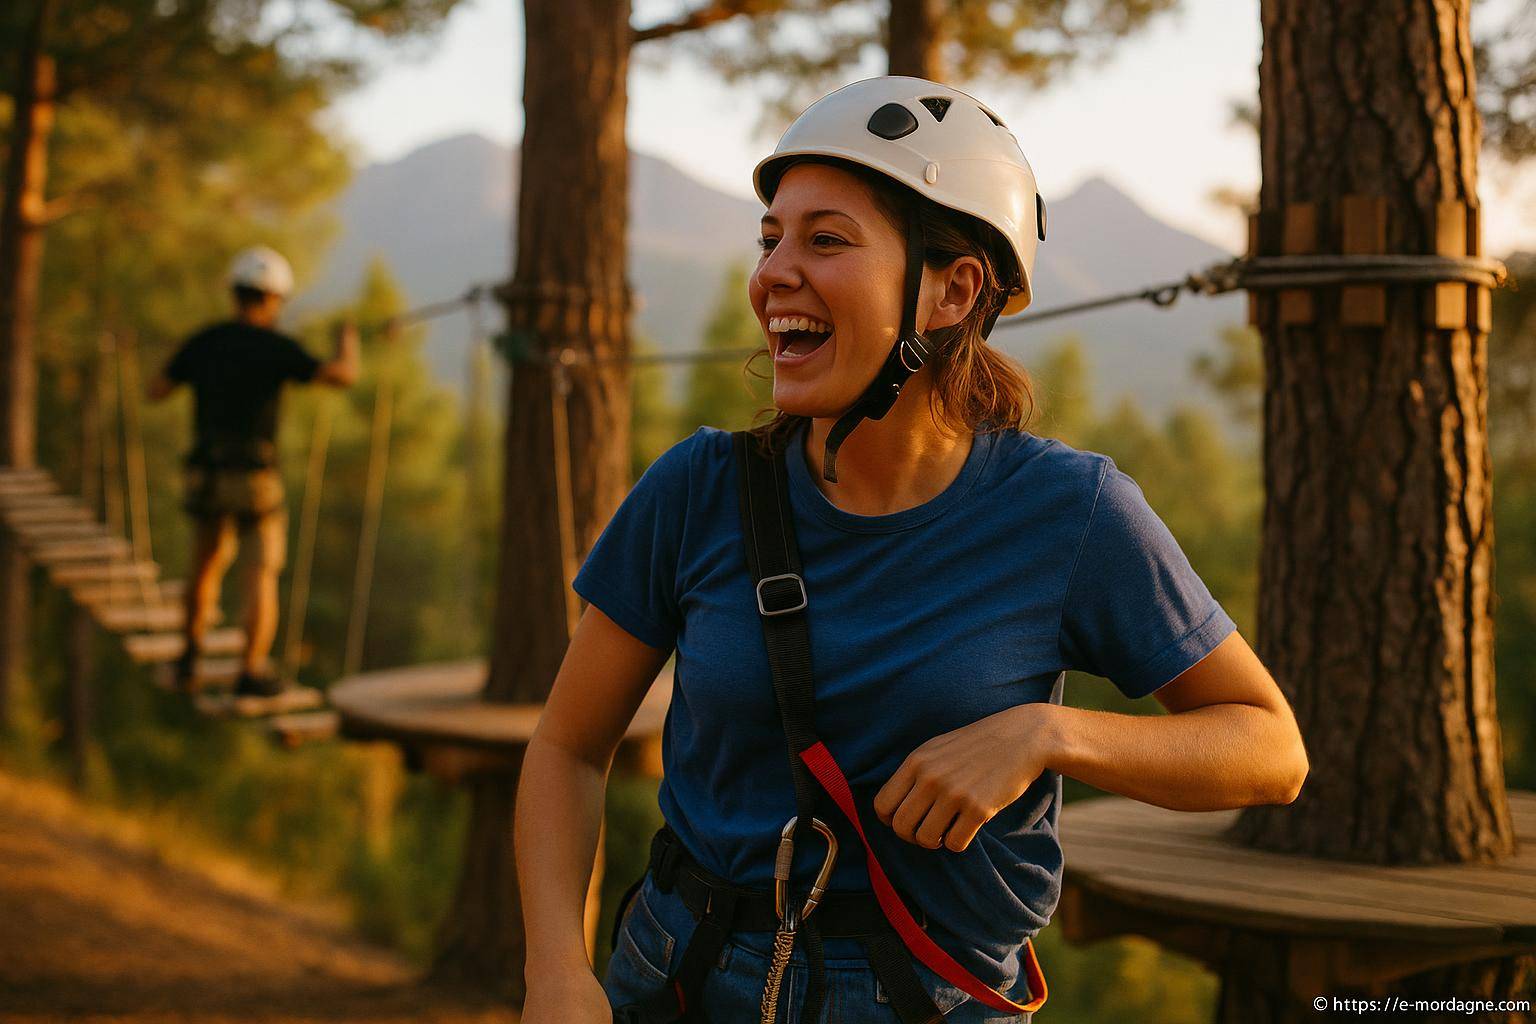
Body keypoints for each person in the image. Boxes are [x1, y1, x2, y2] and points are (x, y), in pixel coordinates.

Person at [515, 77, 1310, 1023]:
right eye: (771, 237)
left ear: (952, 287)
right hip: (681, 973)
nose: (773, 272)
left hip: (930, 996)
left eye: (826, 239)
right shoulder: (699, 490)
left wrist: (1050, 734)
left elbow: (1269, 749)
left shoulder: (1070, 512)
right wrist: (558, 974)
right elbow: (567, 746)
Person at [147, 246, 360, 698]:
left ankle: (189, 659)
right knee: (259, 572)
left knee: (204, 567)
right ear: (272, 299)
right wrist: (348, 342)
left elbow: (157, 389)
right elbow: (341, 375)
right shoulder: (276, 348)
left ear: (236, 294)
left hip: (206, 474)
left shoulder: (206, 341)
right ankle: (249, 670)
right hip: (255, 478)